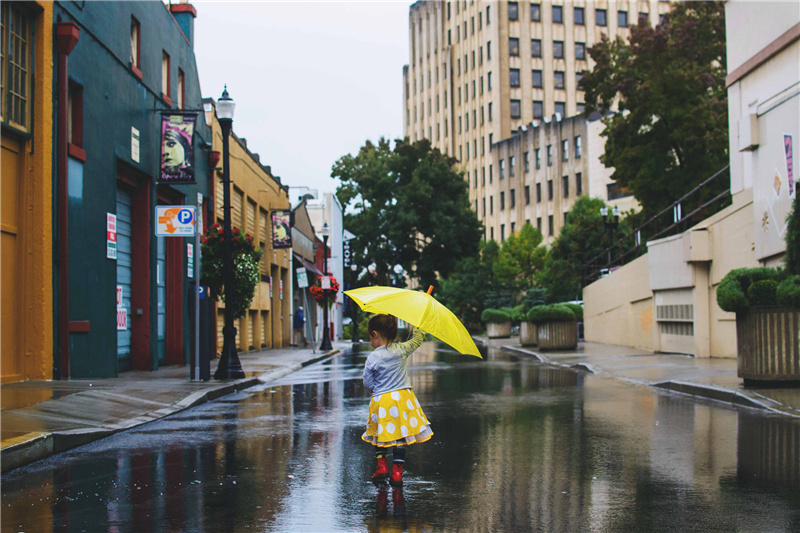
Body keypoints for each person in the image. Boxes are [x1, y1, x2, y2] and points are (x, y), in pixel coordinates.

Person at [362, 314, 433, 487]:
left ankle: (381, 467)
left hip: (382, 400)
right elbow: (416, 341)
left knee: (380, 435)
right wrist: (418, 326)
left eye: (370, 336)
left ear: (375, 334)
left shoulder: (373, 358)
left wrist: (376, 391)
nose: (370, 340)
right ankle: (397, 472)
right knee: (400, 437)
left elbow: (367, 381)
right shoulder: (402, 349)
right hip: (402, 399)